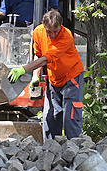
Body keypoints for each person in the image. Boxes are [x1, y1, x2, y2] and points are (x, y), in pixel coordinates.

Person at [8, 10, 84, 140]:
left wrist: (23, 69)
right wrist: (35, 76)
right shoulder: (38, 32)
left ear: (61, 26)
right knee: (51, 117)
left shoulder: (66, 36)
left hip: (72, 77)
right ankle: (50, 150)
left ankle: (75, 150)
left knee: (70, 119)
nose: (52, 35)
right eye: (49, 31)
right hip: (53, 78)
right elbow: (38, 54)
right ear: (44, 26)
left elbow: (45, 59)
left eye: (56, 31)